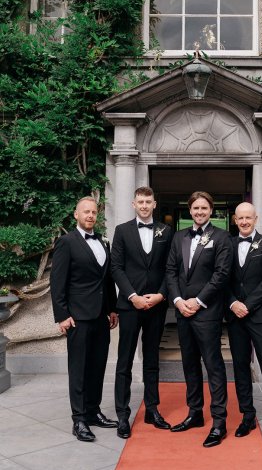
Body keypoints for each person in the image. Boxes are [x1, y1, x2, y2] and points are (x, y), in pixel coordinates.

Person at [166, 191, 233, 448]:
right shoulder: (179, 236)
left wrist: (198, 301)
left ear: (211, 210)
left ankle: (219, 422)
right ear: (190, 210)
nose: (199, 212)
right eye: (195, 208)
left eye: (204, 208)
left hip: (207, 312)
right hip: (183, 311)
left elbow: (221, 274)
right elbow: (170, 271)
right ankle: (195, 413)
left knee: (213, 366)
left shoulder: (221, 237)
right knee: (189, 364)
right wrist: (178, 301)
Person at [50, 196, 118, 442]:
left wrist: (112, 308)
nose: (90, 216)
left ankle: (93, 411)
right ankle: (78, 419)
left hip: (101, 315)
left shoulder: (103, 242)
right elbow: (57, 282)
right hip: (77, 317)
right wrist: (62, 315)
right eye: (85, 212)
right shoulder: (67, 242)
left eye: (93, 212)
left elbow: (107, 280)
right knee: (78, 368)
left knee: (97, 365)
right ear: (76, 215)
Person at [112, 186, 172, 439]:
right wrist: (133, 296)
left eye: (148, 201)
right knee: (124, 360)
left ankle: (152, 409)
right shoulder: (122, 230)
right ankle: (122, 414)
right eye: (141, 202)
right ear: (133, 204)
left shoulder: (166, 231)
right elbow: (116, 268)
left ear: (154, 204)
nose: (145, 205)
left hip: (156, 305)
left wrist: (160, 294)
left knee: (152, 359)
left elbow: (171, 267)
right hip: (130, 305)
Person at [226, 202, 262, 448]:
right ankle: (247, 416)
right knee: (240, 367)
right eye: (240, 218)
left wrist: (246, 304)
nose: (245, 222)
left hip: (260, 316)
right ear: (234, 220)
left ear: (256, 218)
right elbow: (220, 278)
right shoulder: (227, 244)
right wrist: (232, 304)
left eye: (248, 217)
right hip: (235, 318)